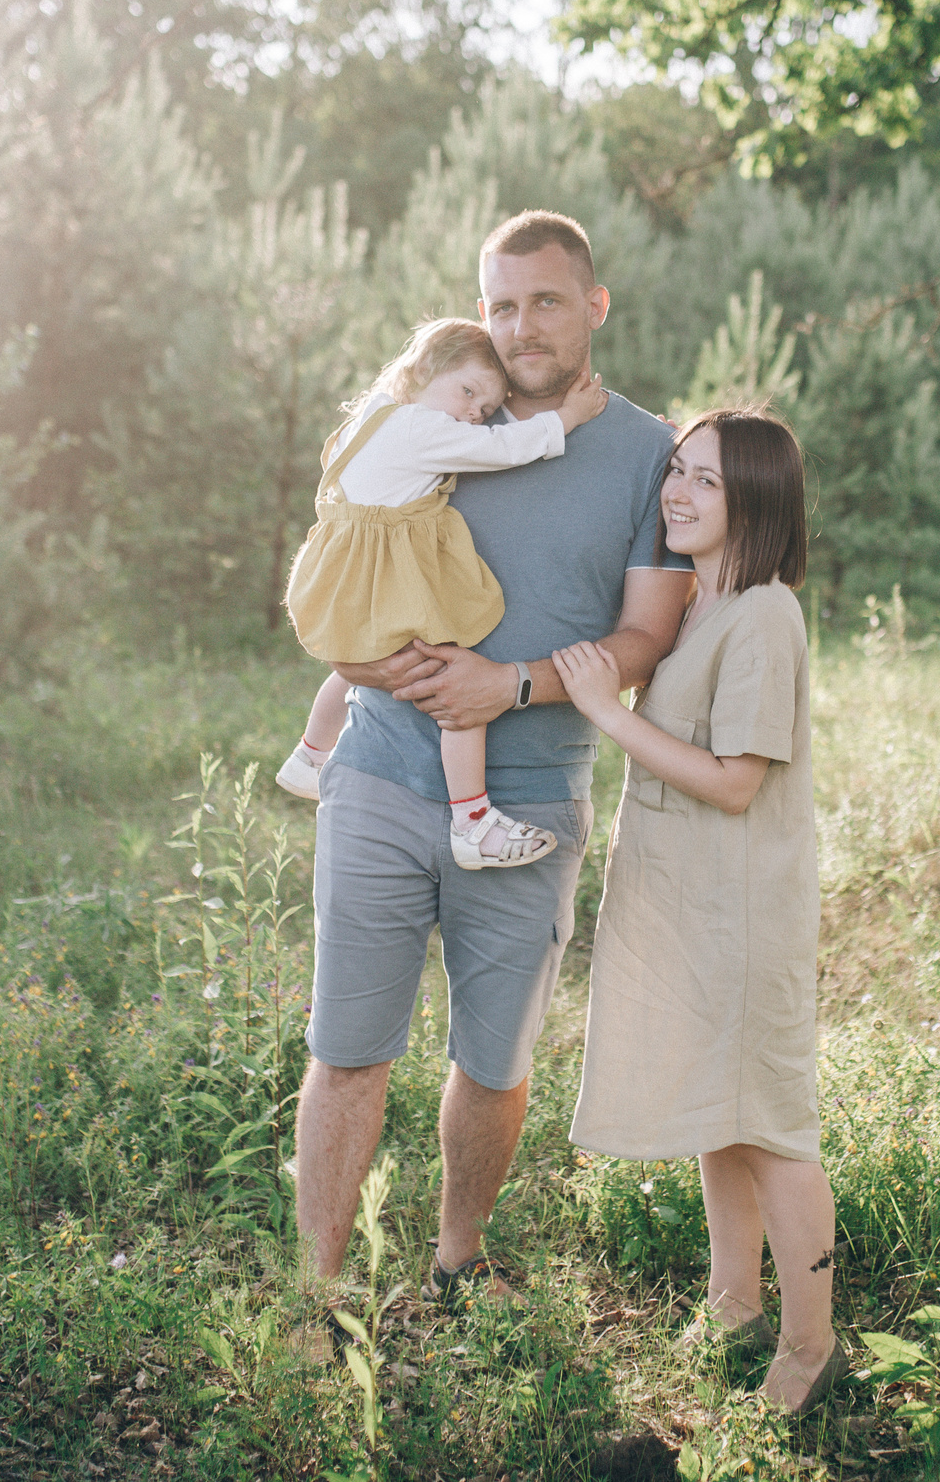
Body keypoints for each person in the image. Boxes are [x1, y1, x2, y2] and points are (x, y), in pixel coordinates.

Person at [293, 211, 697, 1310]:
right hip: (379, 772)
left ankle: (458, 1258)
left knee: (494, 1056)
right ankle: (314, 1295)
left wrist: (507, 685)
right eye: (501, 304)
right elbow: (343, 563)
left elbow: (644, 637)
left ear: (594, 304)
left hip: (530, 790)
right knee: (347, 1045)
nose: (521, 325)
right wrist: (375, 673)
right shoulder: (432, 420)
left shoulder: (648, 452)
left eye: (546, 300)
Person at [553, 406, 841, 1418]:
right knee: (721, 1118)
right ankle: (732, 1301)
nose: (676, 490)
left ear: (754, 497)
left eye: (705, 479)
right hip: (689, 908)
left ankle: (810, 1348)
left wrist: (607, 713)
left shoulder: (764, 612)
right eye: (676, 469)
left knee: (770, 1126)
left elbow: (732, 782)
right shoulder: (700, 607)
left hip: (742, 915)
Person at [277, 316, 608, 869]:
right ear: (423, 369)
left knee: (359, 661)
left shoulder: (374, 413)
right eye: (467, 392)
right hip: (386, 576)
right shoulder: (418, 429)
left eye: (482, 408)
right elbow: (504, 449)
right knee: (454, 683)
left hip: (352, 580)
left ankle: (310, 755)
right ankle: (473, 822)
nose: (471, 415)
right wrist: (567, 418)